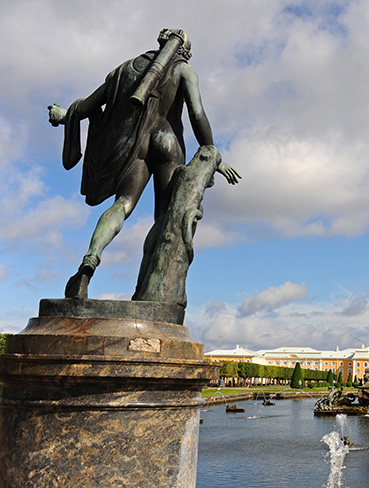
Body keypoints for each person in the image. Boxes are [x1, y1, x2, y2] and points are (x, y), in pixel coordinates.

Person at [48, 29, 240, 298]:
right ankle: (144, 293)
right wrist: (213, 154)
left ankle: (88, 264)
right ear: (183, 50)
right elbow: (197, 114)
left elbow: (85, 108)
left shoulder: (124, 71)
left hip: (135, 147)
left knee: (122, 205)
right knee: (164, 221)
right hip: (169, 145)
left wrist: (63, 115)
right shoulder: (185, 71)